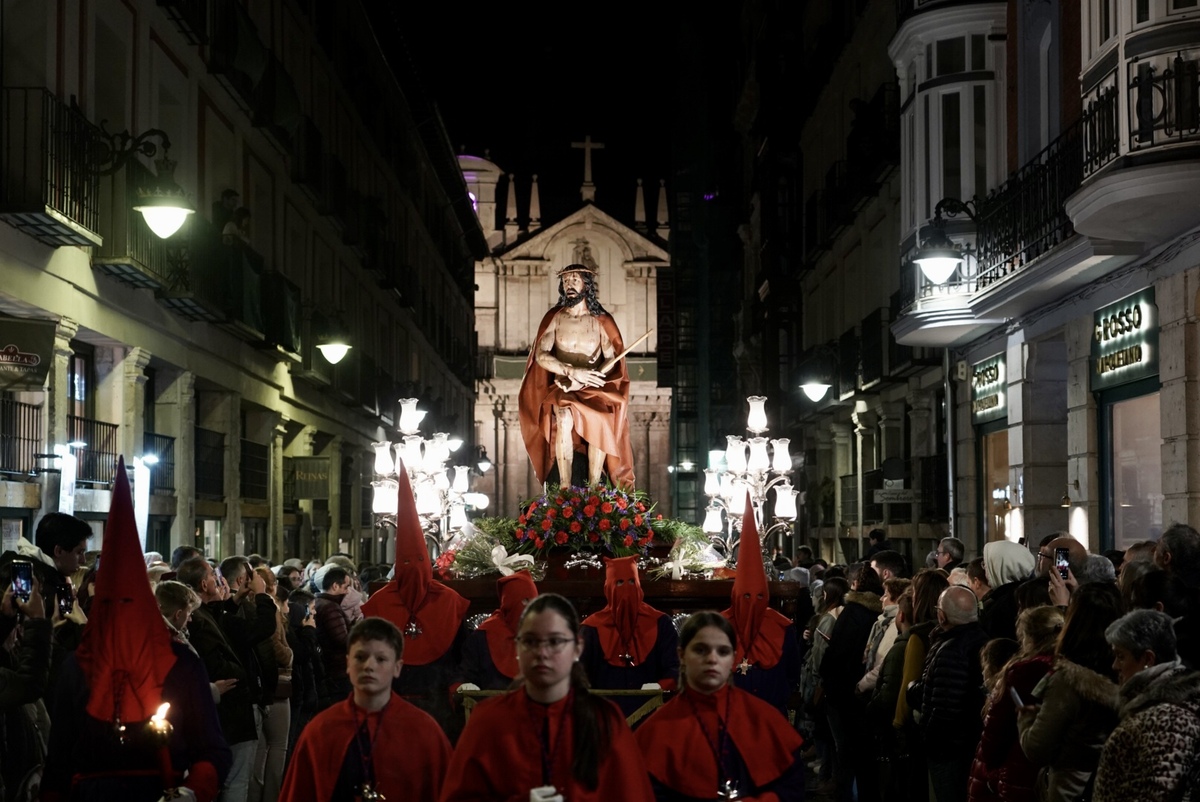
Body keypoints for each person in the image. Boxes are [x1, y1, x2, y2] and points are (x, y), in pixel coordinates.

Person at [41, 458, 230, 802]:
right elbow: (58, 760)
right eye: (112, 608)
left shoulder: (182, 664)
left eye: (130, 606)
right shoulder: (76, 669)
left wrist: (193, 789)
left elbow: (213, 748)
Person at [440, 593, 655, 801]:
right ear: (517, 647)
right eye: (530, 642)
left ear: (577, 648)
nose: (542, 653)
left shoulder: (605, 719)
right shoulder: (488, 720)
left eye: (554, 642)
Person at [635, 611, 805, 800]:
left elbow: (791, 786)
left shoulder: (763, 718)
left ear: (733, 658)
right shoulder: (656, 730)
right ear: (681, 655)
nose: (712, 659)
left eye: (722, 651)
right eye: (700, 650)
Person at [279, 617, 450, 801]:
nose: (369, 666)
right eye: (360, 657)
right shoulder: (320, 730)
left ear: (397, 667)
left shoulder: (422, 730)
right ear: (348, 664)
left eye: (381, 659)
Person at [361, 468, 468, 737]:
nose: (413, 571)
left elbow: (462, 653)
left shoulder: (450, 602)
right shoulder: (379, 604)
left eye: (419, 563)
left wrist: (457, 684)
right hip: (390, 705)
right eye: (406, 564)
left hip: (439, 705)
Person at [517, 262, 636, 488]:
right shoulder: (555, 318)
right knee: (563, 418)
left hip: (593, 388)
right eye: (565, 281)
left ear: (586, 285)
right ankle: (564, 484)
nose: (569, 285)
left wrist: (598, 373)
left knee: (600, 421)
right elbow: (541, 355)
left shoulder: (602, 321)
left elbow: (612, 359)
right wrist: (571, 372)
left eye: (574, 280)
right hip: (564, 386)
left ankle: (594, 487)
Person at [1016, 581, 1122, 802]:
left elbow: (1037, 747)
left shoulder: (1069, 681)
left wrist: (1026, 717)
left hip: (1072, 790)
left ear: (1074, 621)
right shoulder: (1127, 671)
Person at [1093, 609, 1200, 802]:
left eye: (1121, 656)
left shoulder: (1164, 721)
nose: (1115, 666)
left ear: (1147, 659)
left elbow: (1158, 792)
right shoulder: (1161, 706)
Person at [968, 605, 1064, 802]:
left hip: (1017, 774)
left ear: (1026, 637)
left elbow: (994, 739)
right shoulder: (1073, 669)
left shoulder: (1021, 673)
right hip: (1057, 777)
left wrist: (993, 773)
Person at [721, 501, 802, 717]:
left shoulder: (782, 628)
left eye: (759, 596)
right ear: (736, 596)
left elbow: (792, 671)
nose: (752, 602)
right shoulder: (719, 627)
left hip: (771, 715)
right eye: (746, 596)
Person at [911, 585, 990, 802]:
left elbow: (944, 706)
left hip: (948, 749)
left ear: (941, 616)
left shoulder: (950, 650)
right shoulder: (983, 639)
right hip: (969, 743)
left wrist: (930, 741)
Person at [579, 556, 679, 714]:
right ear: (608, 588)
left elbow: (674, 668)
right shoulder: (591, 629)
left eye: (632, 582)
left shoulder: (660, 623)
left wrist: (659, 688)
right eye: (619, 583)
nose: (626, 590)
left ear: (639, 585)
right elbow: (578, 678)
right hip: (604, 717)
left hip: (652, 714)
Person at [455, 570, 539, 691]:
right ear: (510, 603)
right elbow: (464, 674)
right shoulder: (483, 636)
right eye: (525, 601)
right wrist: (463, 687)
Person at [979, 540, 1036, 642]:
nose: (984, 569)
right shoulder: (1031, 594)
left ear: (1000, 566)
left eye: (987, 564)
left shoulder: (1003, 606)